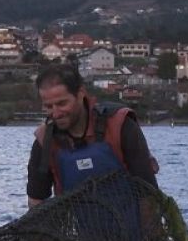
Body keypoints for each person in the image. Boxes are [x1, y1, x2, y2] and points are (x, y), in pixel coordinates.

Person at [26, 64, 159, 207]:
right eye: (48, 107)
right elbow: (36, 201)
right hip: (76, 226)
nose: (56, 113)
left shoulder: (121, 125)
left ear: (81, 93)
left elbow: (148, 194)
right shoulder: (44, 141)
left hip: (131, 223)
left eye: (62, 103)